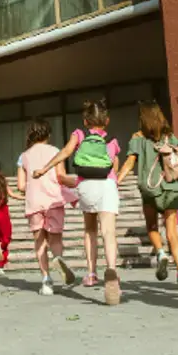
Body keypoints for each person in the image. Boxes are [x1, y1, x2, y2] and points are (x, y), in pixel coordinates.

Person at [34, 99, 123, 306]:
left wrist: (44, 169)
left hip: (86, 186)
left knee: (90, 230)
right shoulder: (113, 141)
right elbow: (114, 168)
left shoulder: (79, 135)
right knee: (108, 232)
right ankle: (112, 270)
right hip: (107, 185)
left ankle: (91, 273)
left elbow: (65, 153)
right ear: (107, 121)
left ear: (85, 121)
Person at [117, 101, 178, 296]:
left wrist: (116, 179)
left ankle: (160, 254)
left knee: (152, 227)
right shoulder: (170, 137)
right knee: (173, 234)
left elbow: (129, 163)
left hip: (150, 190)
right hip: (171, 188)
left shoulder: (137, 138)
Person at [17, 119, 78, 295]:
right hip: (53, 200)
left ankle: (46, 281)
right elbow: (61, 176)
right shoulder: (56, 151)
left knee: (40, 241)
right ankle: (58, 258)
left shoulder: (23, 156)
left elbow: (21, 186)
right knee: (55, 239)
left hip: (34, 202)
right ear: (48, 134)